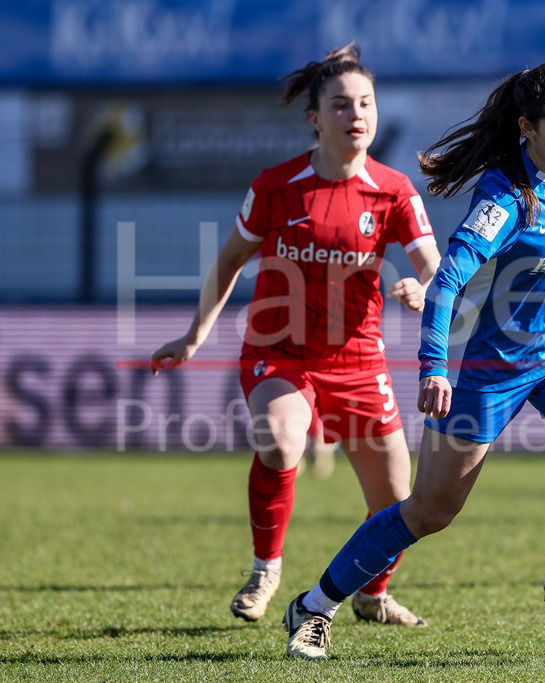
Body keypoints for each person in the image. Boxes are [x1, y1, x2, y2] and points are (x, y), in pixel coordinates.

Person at [280, 62, 545, 660]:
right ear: (527, 128)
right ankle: (313, 607)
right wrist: (434, 366)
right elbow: (446, 285)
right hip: (495, 370)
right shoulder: (504, 196)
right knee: (431, 510)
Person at [151, 43, 440, 627]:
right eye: (340, 105)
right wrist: (193, 336)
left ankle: (372, 594)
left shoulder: (395, 191)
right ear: (315, 119)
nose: (356, 114)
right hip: (278, 351)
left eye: (365, 103)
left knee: (398, 503)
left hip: (358, 359)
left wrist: (421, 288)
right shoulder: (277, 186)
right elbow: (230, 260)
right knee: (282, 442)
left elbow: (434, 266)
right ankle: (266, 569)